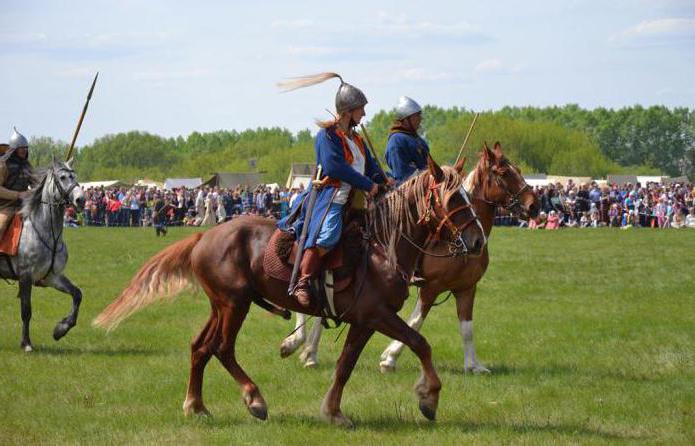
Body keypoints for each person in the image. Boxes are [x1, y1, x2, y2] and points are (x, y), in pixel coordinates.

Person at [277, 72, 389, 307]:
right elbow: (334, 167)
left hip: (355, 199)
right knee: (327, 236)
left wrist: (384, 180)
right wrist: (368, 184)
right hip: (331, 197)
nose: (364, 114)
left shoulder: (357, 139)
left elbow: (369, 166)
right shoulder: (326, 136)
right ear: (348, 111)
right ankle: (303, 282)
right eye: (361, 109)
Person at [384, 96, 430, 185]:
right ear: (406, 119)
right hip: (410, 192)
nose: (420, 119)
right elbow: (402, 177)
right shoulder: (396, 141)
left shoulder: (417, 139)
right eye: (417, 115)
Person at [0, 128, 33, 241]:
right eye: (21, 148)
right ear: (14, 149)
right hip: (5, 207)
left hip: (24, 206)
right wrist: (18, 194)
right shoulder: (3, 165)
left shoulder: (27, 166)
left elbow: (36, 183)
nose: (24, 150)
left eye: (25, 148)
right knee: (1, 226)